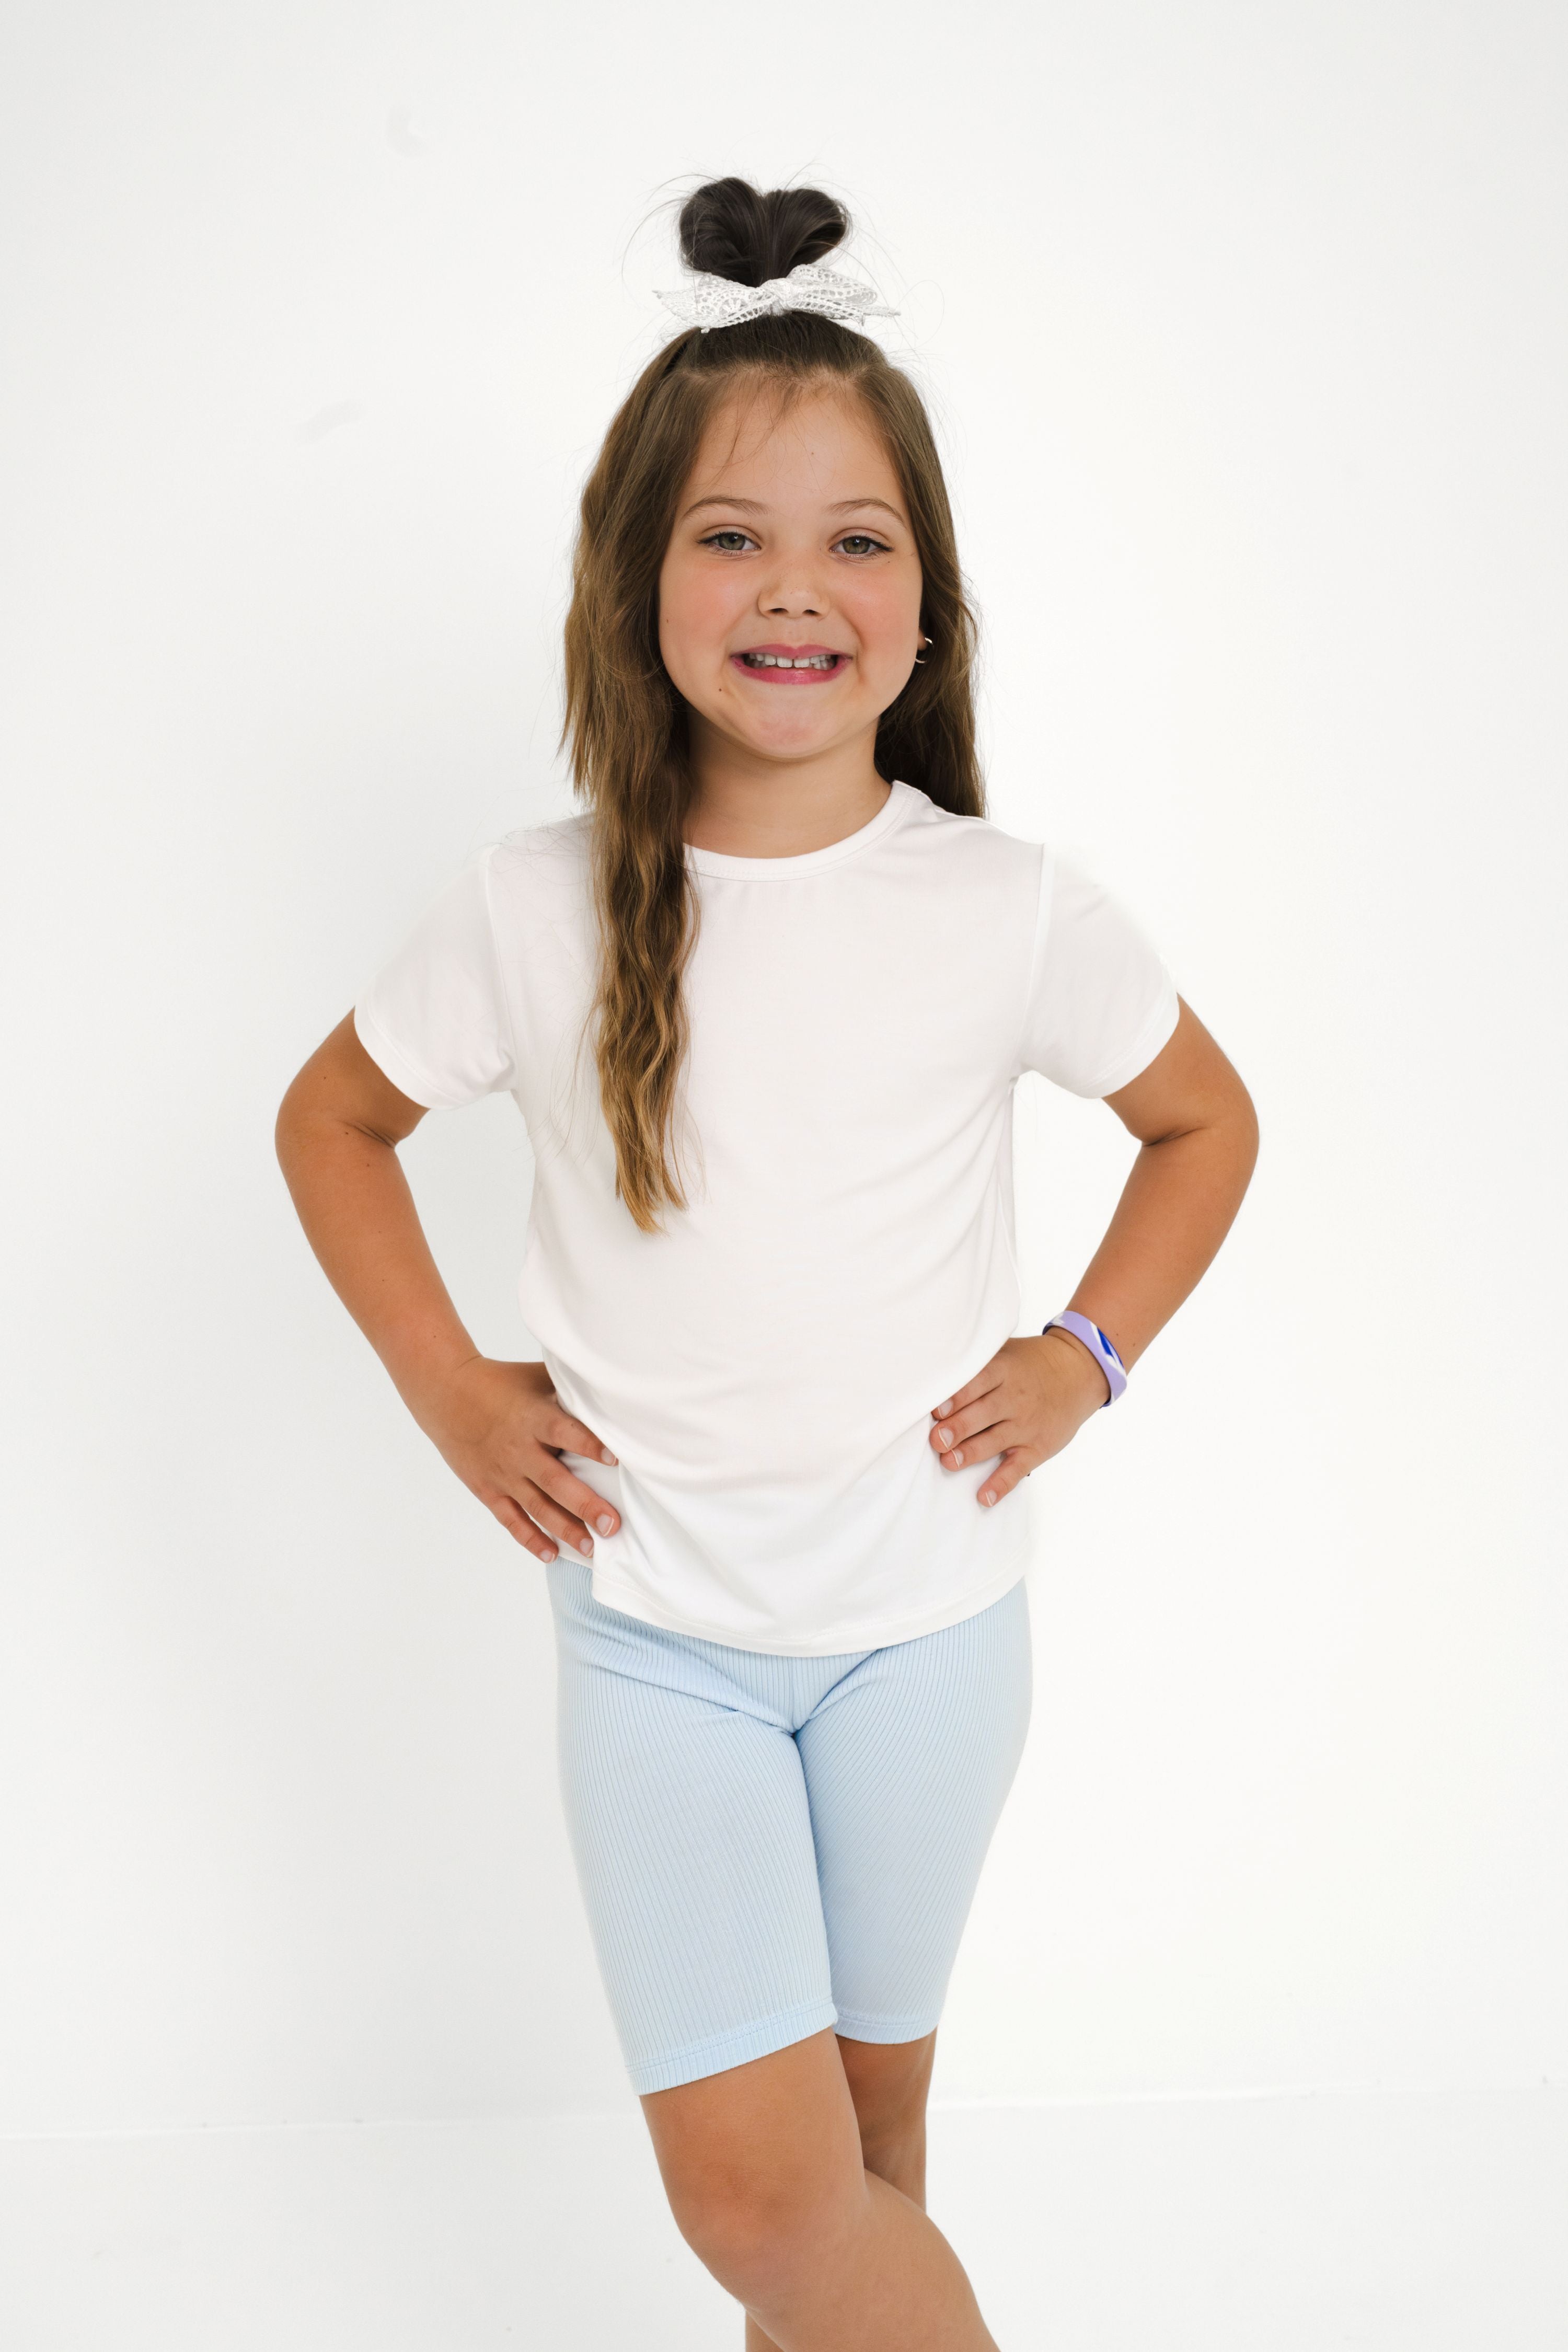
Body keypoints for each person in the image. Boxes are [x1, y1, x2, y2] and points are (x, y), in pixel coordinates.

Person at [275, 176, 1259, 2351]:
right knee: (759, 2200)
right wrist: (452, 1388)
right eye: (730, 534)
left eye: (856, 539)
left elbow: (1208, 1122)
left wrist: (1088, 1352)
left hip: (930, 1636)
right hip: (662, 1645)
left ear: (929, 605)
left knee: (863, 2167)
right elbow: (330, 1121)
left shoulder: (1009, 904)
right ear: (637, 582)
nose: (795, 585)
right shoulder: (529, 906)